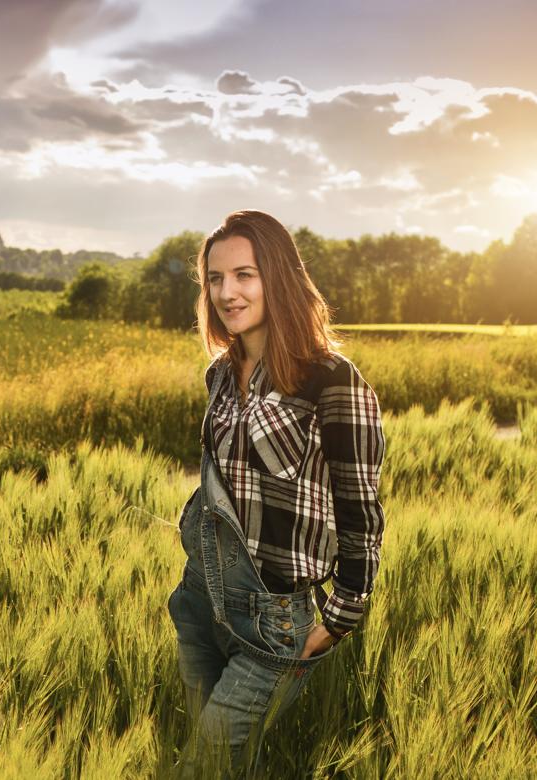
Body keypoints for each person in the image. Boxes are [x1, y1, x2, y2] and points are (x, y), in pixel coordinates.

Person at [166, 209, 387, 777]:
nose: (226, 293)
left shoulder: (333, 379)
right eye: (214, 279)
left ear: (278, 278)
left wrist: (340, 615)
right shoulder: (220, 372)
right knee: (231, 765)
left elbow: (359, 506)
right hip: (202, 602)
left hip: (275, 617)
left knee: (203, 767)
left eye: (244, 275)